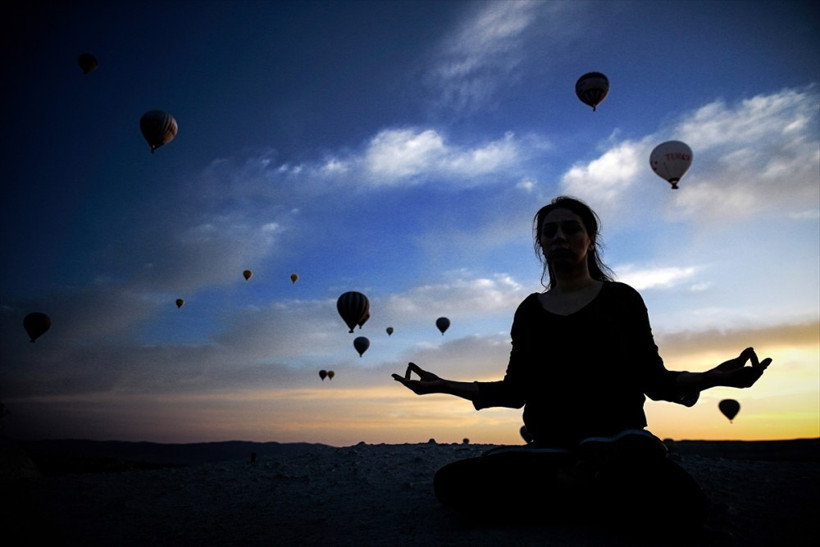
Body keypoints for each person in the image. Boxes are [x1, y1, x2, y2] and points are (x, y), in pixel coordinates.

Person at [392, 196, 772, 531]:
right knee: (452, 482)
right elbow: (514, 392)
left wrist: (717, 379)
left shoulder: (622, 299)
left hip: (619, 447)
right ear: (541, 244)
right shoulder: (529, 311)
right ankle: (585, 491)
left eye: (570, 229)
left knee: (685, 507)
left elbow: (654, 381)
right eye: (549, 231)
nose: (559, 237)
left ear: (590, 239)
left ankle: (573, 490)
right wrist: (442, 385)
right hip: (550, 451)